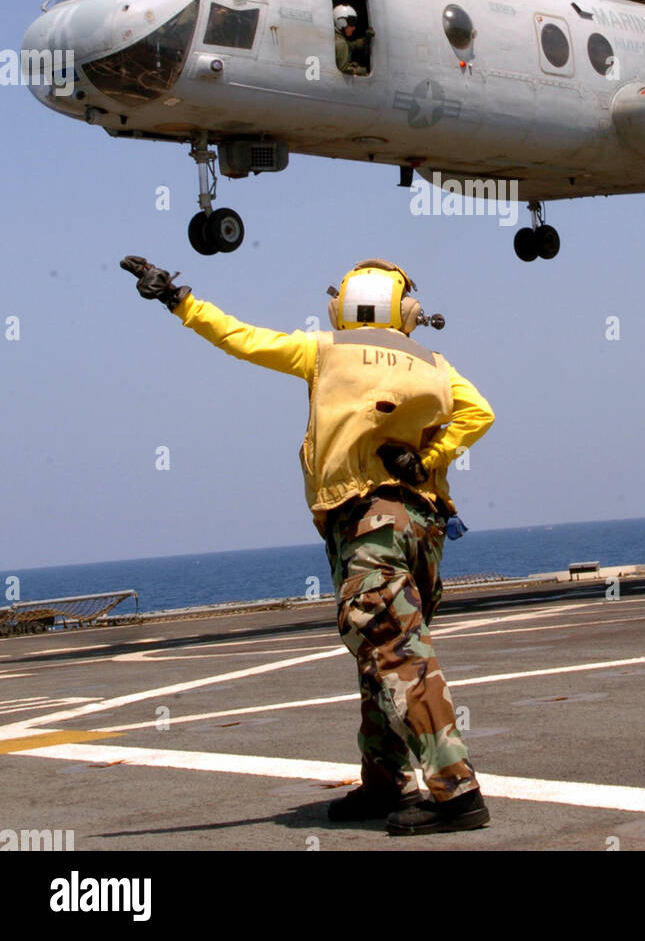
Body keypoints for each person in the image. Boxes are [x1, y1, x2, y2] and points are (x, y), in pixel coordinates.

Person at [119, 254, 495, 835]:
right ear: (406, 309)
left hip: (369, 525)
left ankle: (457, 792)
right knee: (380, 653)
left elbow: (242, 339)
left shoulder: (323, 350)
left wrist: (179, 300)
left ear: (341, 305)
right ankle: (385, 784)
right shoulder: (436, 363)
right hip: (421, 527)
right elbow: (480, 413)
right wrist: (427, 459)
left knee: (393, 650)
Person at [333, 4, 372, 75]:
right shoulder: (341, 43)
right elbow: (343, 69)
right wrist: (359, 71)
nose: (354, 28)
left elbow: (350, 46)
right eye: (351, 23)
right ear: (342, 23)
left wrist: (365, 40)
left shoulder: (335, 38)